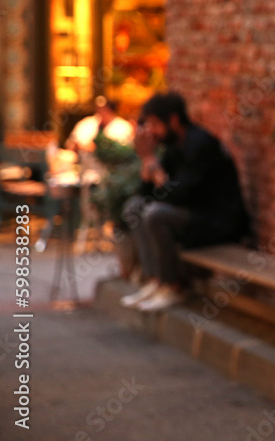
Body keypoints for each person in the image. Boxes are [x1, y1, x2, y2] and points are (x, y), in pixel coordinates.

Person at [119, 91, 251, 311]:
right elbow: (148, 196)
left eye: (154, 124)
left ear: (173, 120)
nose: (151, 131)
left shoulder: (201, 144)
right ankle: (156, 281)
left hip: (217, 223)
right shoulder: (173, 147)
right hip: (191, 217)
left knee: (156, 215)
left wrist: (152, 162)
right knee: (134, 207)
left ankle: (174, 286)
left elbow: (178, 195)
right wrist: (147, 165)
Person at [65, 96, 135, 152]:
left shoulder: (124, 127)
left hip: (114, 167)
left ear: (111, 110)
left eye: (104, 109)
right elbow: (70, 145)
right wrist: (78, 146)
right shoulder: (86, 124)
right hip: (87, 166)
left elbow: (128, 150)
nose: (101, 111)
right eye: (98, 109)